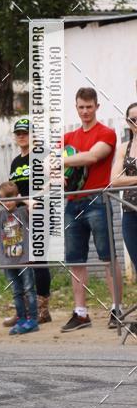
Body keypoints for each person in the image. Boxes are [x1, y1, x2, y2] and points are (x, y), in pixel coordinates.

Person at [61, 87, 122, 332]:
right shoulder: (68, 137)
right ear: (76, 108)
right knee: (75, 261)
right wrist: (57, 174)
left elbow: (92, 157)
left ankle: (117, 309)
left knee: (108, 258)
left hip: (98, 199)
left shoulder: (107, 133)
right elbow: (47, 164)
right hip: (72, 201)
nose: (85, 111)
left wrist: (58, 162)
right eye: (81, 107)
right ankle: (81, 313)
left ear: (97, 106)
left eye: (89, 106)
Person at [7, 117, 52, 324]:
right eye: (18, 133)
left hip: (39, 213)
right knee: (20, 261)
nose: (21, 136)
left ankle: (43, 309)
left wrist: (35, 199)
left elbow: (51, 182)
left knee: (39, 262)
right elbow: (12, 191)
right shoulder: (16, 162)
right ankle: (24, 308)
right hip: (19, 217)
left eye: (25, 132)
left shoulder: (42, 155)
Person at [0, 182, 39, 335]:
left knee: (29, 289)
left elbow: (35, 206)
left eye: (10, 199)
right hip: (8, 261)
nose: (7, 202)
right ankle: (21, 319)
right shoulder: (0, 216)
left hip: (24, 259)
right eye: (4, 200)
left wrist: (21, 198)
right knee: (16, 292)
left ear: (16, 198)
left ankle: (33, 320)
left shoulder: (22, 212)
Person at [110, 102, 137, 275]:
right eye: (133, 119)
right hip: (129, 211)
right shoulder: (124, 148)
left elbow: (122, 178)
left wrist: (129, 179)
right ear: (128, 122)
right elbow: (114, 180)